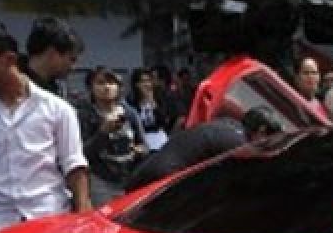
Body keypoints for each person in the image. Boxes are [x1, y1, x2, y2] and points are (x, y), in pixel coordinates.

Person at [0, 20, 90, 233]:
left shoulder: (57, 109)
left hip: (50, 222)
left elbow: (74, 165)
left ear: (9, 59)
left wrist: (84, 216)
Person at [125, 107, 281, 191]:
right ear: (261, 131)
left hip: (149, 168)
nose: (267, 145)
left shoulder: (228, 124)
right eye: (269, 140)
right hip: (163, 178)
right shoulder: (236, 142)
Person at [76, 67, 147, 207]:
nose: (107, 87)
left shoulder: (129, 113)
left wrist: (139, 150)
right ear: (91, 87)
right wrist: (103, 132)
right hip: (100, 181)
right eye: (100, 83)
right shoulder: (84, 115)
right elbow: (82, 153)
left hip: (129, 178)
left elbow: (144, 144)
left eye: (111, 82)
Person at [24, 17, 84, 96]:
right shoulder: (13, 87)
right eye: (72, 59)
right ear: (52, 53)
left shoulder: (56, 90)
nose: (74, 67)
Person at [127, 67, 174, 151]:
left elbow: (164, 122)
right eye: (143, 81)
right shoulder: (131, 101)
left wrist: (153, 103)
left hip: (160, 138)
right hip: (142, 141)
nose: (147, 84)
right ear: (136, 84)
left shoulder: (159, 97)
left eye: (148, 81)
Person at [293, 57, 328, 121]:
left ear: (319, 77)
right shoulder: (293, 106)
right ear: (297, 78)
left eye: (314, 72)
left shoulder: (323, 105)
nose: (311, 76)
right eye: (306, 73)